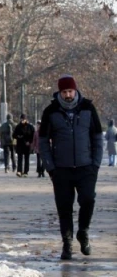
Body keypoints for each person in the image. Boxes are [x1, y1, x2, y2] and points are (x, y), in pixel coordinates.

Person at [39, 75, 102, 260]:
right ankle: (67, 244)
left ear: (75, 91)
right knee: (64, 207)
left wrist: (95, 164)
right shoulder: (51, 111)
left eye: (70, 91)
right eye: (64, 92)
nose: (67, 95)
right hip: (61, 169)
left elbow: (97, 137)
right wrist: (51, 167)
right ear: (59, 92)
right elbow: (43, 142)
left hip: (86, 167)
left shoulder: (88, 108)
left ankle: (83, 231)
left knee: (88, 200)